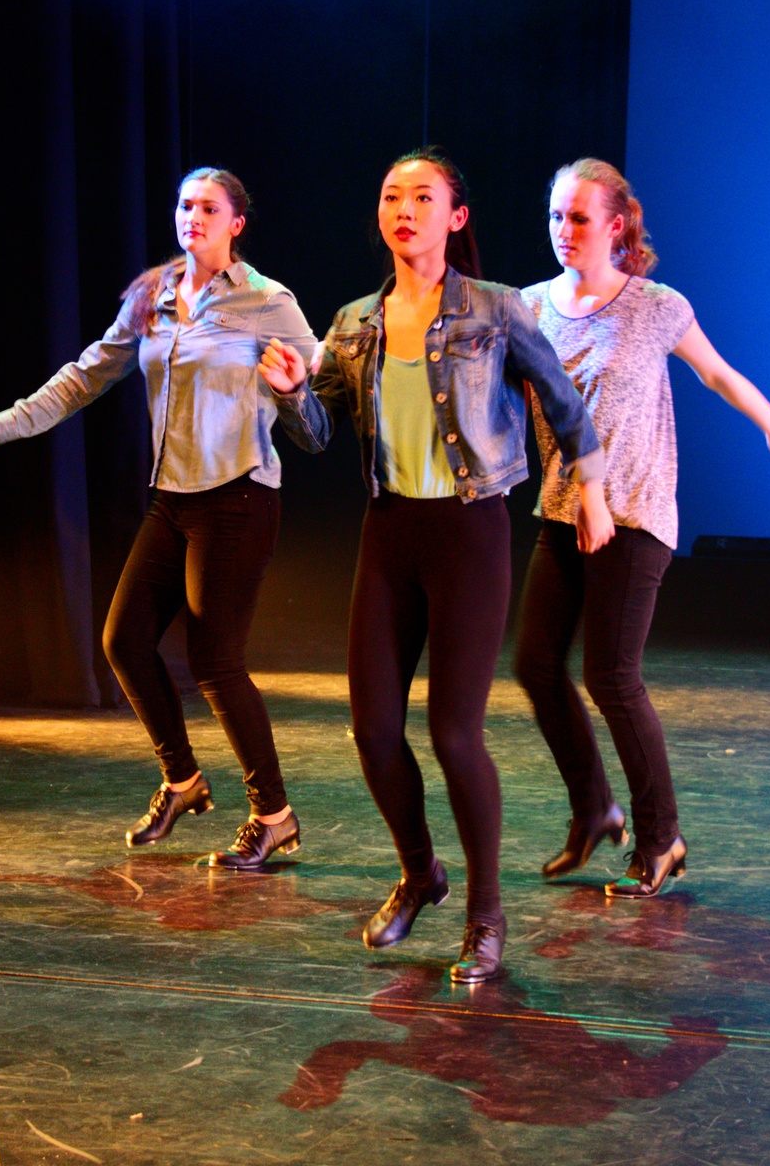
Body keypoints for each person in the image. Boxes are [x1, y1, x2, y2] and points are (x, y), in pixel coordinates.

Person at [264, 148, 611, 984]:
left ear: (455, 218)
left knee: (455, 734)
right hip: (389, 534)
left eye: (423, 197)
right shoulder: (355, 322)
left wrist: (593, 495)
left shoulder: (496, 307)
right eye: (392, 196)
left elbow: (566, 408)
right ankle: (421, 874)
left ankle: (487, 915)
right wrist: (291, 391)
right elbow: (317, 435)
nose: (404, 210)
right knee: (373, 732)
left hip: (470, 533)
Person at [0, 168, 319, 870]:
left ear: (237, 223)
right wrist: (0, 426)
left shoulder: (268, 302)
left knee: (216, 661)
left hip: (239, 496)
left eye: (208, 208)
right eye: (184, 205)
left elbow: (317, 399)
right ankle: (183, 781)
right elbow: (85, 375)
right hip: (173, 498)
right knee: (123, 641)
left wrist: (296, 389)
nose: (192, 217)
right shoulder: (154, 298)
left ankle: (274, 815)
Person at [514, 158, 770, 899]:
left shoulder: (655, 306)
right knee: (536, 666)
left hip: (636, 512)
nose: (564, 230)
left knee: (611, 677)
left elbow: (715, 372)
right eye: (555, 216)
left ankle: (661, 837)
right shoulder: (529, 307)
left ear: (616, 226)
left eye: (579, 217)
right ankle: (593, 809)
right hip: (564, 507)